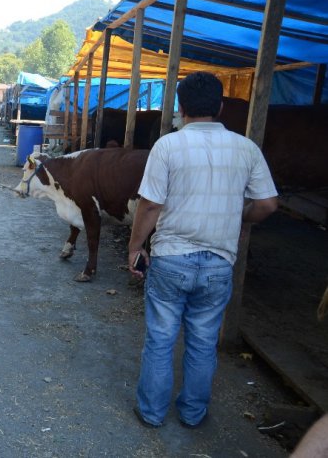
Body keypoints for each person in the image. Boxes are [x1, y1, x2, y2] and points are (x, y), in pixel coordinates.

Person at [127, 71, 278, 429]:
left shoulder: (168, 146)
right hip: (217, 265)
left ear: (181, 107)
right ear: (221, 106)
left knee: (161, 340)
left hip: (170, 260)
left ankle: (151, 412)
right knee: (203, 342)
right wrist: (240, 218)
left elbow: (149, 206)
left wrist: (135, 246)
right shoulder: (246, 148)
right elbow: (268, 204)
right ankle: (193, 414)